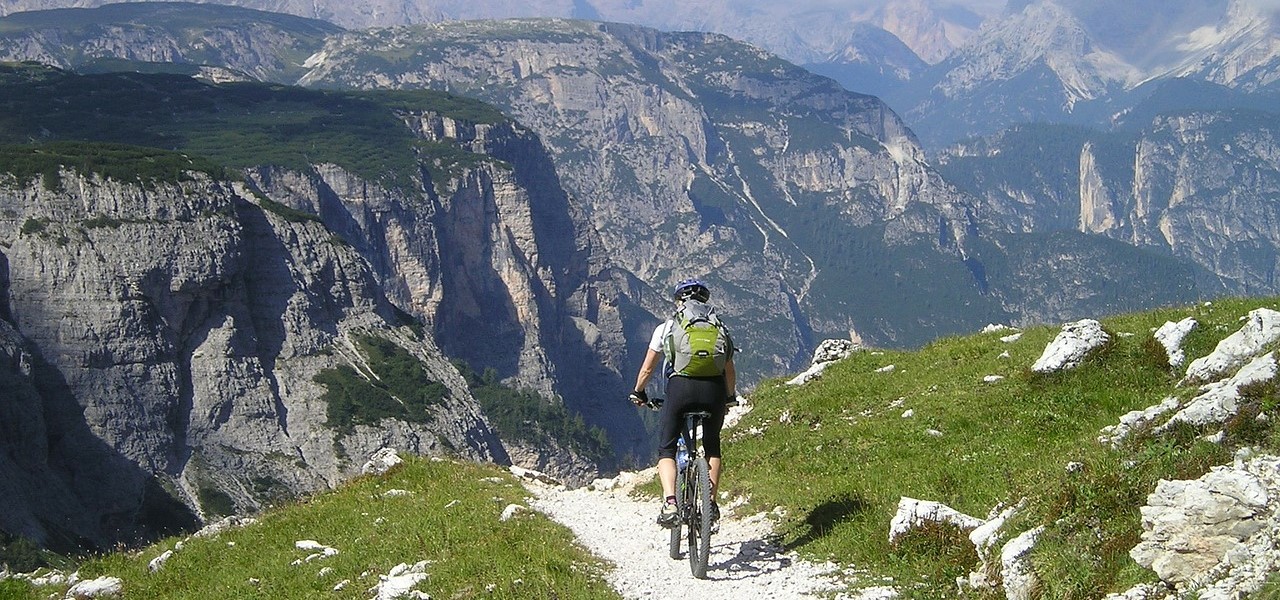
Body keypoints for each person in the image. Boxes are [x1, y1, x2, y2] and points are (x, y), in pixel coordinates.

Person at [629, 278, 737, 528]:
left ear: (679, 302)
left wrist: (639, 392)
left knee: (666, 449)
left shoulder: (666, 328)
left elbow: (647, 369)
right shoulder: (719, 328)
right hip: (714, 391)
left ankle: (670, 503)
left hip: (680, 389)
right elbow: (729, 370)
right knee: (712, 447)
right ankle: (709, 505)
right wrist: (729, 396)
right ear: (705, 302)